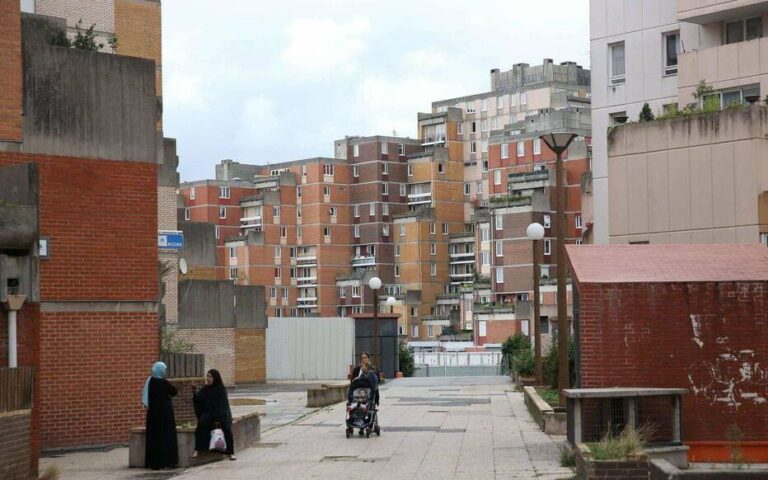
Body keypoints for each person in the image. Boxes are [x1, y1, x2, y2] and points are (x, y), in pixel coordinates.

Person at [192, 369, 236, 460]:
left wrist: (217, 418)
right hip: (209, 413)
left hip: (221, 414)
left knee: (227, 429)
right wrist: (194, 391)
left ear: (215, 378)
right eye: (207, 376)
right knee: (201, 424)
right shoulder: (206, 388)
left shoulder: (221, 389)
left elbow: (222, 405)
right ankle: (198, 449)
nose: (208, 378)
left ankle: (231, 452)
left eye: (210, 376)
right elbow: (198, 398)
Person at [142, 361, 178, 470]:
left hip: (153, 416)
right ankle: (168, 461)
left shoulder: (149, 381)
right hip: (165, 416)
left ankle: (154, 463)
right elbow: (174, 392)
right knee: (167, 437)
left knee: (154, 438)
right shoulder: (164, 383)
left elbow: (145, 398)